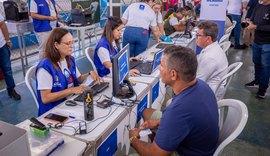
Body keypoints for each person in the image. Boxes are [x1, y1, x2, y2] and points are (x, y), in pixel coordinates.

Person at [129, 45, 219, 155]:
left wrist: (133, 139)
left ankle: (160, 144)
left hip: (185, 152)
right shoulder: (202, 85)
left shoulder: (178, 110)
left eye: (161, 65)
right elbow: (183, 119)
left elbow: (154, 154)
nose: (159, 68)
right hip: (201, 145)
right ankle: (160, 141)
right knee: (147, 112)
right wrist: (158, 122)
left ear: (173, 74)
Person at [36, 28, 101, 115]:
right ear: (56, 45)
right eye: (67, 43)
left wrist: (89, 73)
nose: (72, 46)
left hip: (71, 103)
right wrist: (72, 90)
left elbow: (78, 79)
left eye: (72, 42)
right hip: (54, 112)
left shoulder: (69, 59)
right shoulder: (45, 67)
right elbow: (45, 98)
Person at [196, 21, 228, 98]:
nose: (195, 38)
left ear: (208, 38)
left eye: (198, 35)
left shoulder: (209, 57)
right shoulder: (213, 48)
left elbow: (197, 82)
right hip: (209, 87)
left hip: (208, 94)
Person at [245, 0, 270, 99]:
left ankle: (262, 89)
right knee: (257, 62)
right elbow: (252, 19)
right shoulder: (258, 6)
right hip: (257, 41)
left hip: (267, 43)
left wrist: (256, 26)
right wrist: (249, 22)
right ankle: (257, 81)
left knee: (266, 66)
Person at [0, 15, 21, 100]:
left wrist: (7, 40)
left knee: (7, 69)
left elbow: (2, 25)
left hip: (1, 45)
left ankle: (11, 89)